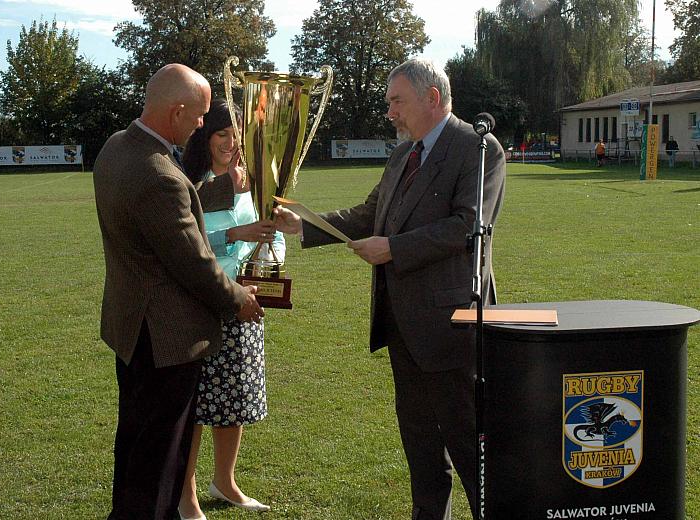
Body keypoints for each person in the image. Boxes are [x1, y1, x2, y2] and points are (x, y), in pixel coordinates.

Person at [275, 58, 506, 520]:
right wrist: (304, 225)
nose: (389, 113)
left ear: (432, 98)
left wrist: (394, 249)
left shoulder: (478, 148)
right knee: (420, 447)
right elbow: (370, 212)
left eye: (396, 102)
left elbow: (466, 226)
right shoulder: (404, 153)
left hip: (452, 327)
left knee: (468, 444)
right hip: (402, 325)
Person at [92, 63, 264, 520]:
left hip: (131, 330)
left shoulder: (114, 148)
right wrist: (239, 299)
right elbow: (194, 262)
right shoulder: (160, 174)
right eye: (200, 115)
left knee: (134, 443)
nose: (202, 125)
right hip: (166, 338)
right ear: (177, 111)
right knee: (160, 457)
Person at [177, 98, 282, 520]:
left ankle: (226, 482)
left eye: (237, 135)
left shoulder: (254, 182)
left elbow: (272, 235)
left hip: (246, 302)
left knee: (233, 400)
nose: (232, 144)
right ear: (205, 136)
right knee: (197, 406)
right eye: (223, 134)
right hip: (202, 303)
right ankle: (186, 497)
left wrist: (266, 262)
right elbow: (189, 247)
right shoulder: (189, 182)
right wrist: (235, 233)